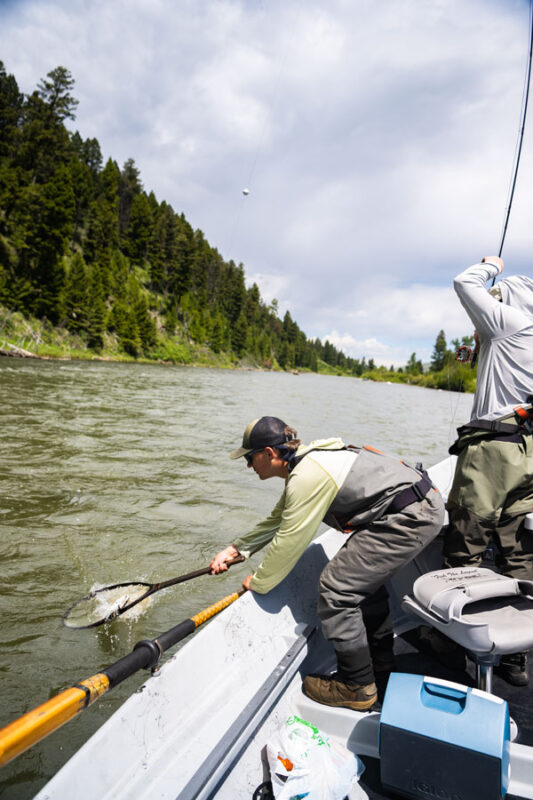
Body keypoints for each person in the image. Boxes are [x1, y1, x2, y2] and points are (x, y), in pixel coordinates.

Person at [210, 416, 445, 711]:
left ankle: (356, 686)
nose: (248, 466)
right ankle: (380, 662)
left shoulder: (308, 475)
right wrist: (236, 550)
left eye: (249, 458)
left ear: (269, 454)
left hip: (410, 516)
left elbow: (289, 541)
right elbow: (277, 520)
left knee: (337, 589)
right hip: (415, 506)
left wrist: (258, 582)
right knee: (358, 582)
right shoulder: (308, 466)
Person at [443, 257, 533, 685]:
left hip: (491, 453)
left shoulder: (511, 322)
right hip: (527, 452)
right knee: (518, 552)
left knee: (465, 544)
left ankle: (454, 647)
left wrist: (488, 267)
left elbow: (465, 282)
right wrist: (480, 346)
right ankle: (517, 658)